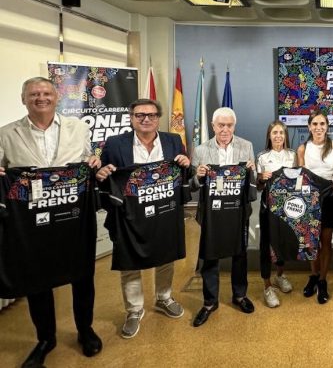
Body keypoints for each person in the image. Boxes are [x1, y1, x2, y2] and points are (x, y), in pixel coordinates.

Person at [0, 77, 102, 367]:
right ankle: (46, 338)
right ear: (23, 99)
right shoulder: (5, 134)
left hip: (73, 217)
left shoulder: (79, 128)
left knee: (82, 275)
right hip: (31, 221)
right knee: (37, 280)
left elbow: (88, 158)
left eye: (46, 93)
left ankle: (85, 330)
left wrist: (93, 161)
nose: (40, 98)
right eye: (33, 94)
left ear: (57, 97)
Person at [96, 98, 190, 339]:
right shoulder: (115, 144)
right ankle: (134, 309)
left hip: (164, 212)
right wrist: (102, 173)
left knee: (166, 256)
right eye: (140, 115)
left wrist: (185, 163)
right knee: (130, 261)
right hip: (129, 216)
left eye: (151, 115)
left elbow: (183, 174)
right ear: (131, 118)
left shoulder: (173, 140)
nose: (146, 119)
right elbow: (103, 177)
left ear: (158, 118)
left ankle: (164, 297)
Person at [189, 107, 256, 326]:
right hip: (211, 212)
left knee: (240, 254)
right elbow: (191, 185)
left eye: (229, 125)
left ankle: (240, 296)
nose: (225, 129)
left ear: (234, 126)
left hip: (238, 211)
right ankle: (210, 302)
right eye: (221, 125)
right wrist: (198, 176)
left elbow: (252, 182)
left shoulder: (246, 146)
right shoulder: (200, 150)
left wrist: (252, 171)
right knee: (210, 256)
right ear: (213, 126)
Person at [297, 111, 333, 304]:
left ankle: (323, 280)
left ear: (327, 126)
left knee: (326, 241)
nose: (318, 127)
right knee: (311, 241)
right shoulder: (302, 149)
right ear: (309, 127)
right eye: (315, 124)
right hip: (310, 200)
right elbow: (300, 176)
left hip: (330, 198)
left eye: (322, 124)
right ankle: (314, 275)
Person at [256, 120, 296, 308]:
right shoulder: (262, 156)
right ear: (269, 136)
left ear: (285, 135)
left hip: (287, 208)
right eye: (275, 133)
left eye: (281, 132)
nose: (278, 136)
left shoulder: (293, 155)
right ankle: (267, 286)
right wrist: (261, 178)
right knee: (266, 245)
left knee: (283, 242)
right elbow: (258, 187)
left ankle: (280, 275)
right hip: (268, 208)